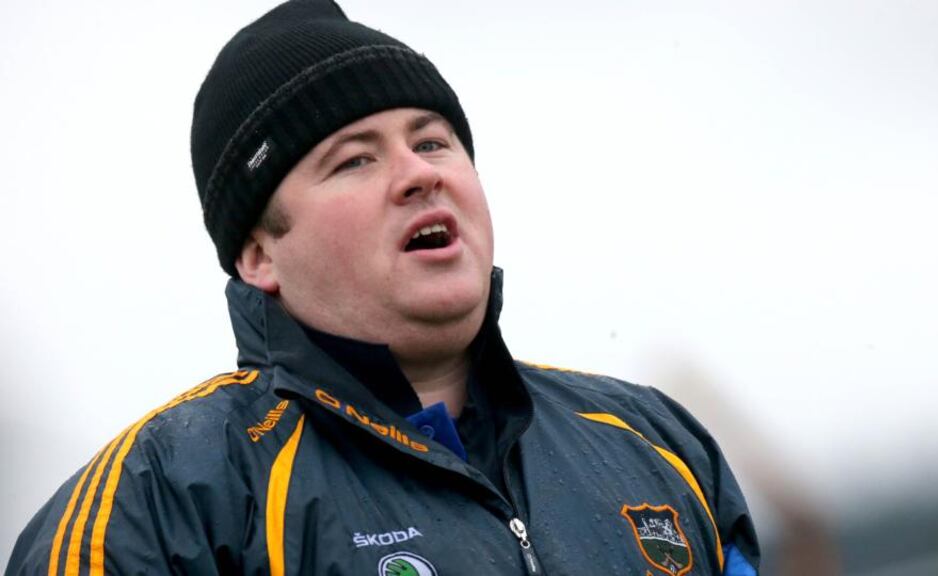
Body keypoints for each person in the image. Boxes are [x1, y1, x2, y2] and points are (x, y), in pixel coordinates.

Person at [6, 1, 759, 574]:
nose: (420, 173)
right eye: (355, 160)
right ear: (260, 254)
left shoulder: (658, 445)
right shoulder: (160, 504)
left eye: (433, 141)